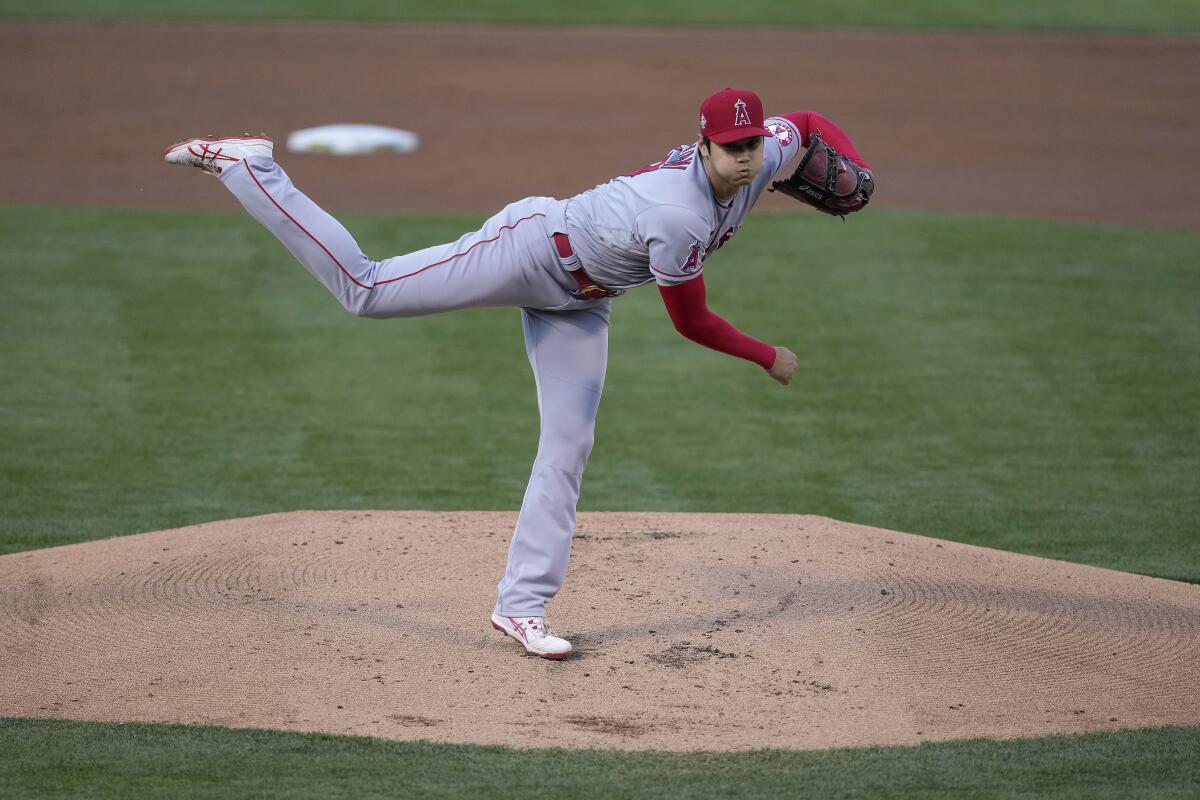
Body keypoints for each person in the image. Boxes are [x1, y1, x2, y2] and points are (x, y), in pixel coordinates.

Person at [163, 87, 871, 660]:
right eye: (732, 147)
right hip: (531, 248)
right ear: (704, 143)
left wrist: (850, 157)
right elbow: (691, 322)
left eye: (753, 146)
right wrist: (766, 355)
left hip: (581, 303)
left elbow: (805, 123)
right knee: (368, 291)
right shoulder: (677, 215)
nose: (748, 159)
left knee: (569, 447)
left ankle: (521, 609)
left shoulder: (768, 152)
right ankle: (251, 167)